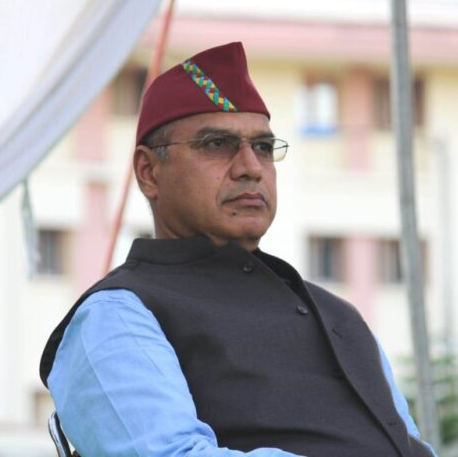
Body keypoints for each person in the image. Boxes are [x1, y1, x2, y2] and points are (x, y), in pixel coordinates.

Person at [40, 42, 437, 457]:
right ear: (149, 172)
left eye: (263, 147)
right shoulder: (118, 313)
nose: (250, 167)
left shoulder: (339, 316)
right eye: (217, 144)